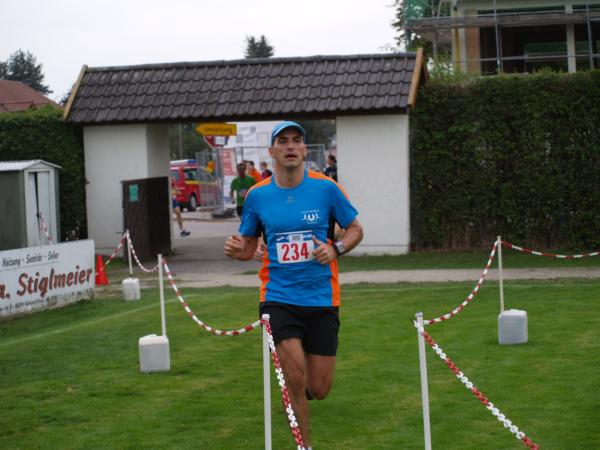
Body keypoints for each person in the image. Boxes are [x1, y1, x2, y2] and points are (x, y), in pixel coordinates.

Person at [224, 121, 363, 449]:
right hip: (278, 297)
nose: (290, 146)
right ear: (272, 151)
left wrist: (336, 248)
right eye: (283, 141)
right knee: (295, 377)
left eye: (296, 140)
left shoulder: (326, 188)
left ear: (304, 149)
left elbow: (356, 229)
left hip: (322, 297)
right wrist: (236, 250)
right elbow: (247, 248)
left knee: (319, 388)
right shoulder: (257, 195)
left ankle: (300, 392)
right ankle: (305, 445)